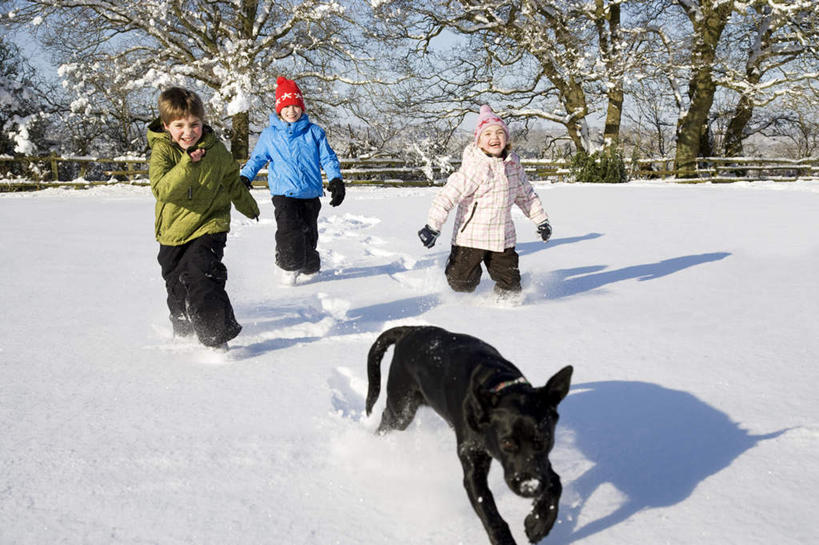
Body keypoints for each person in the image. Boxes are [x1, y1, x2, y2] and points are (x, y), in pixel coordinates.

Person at [148, 86, 260, 348]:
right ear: (166, 126)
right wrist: (187, 164)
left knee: (202, 274)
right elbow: (162, 190)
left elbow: (232, 181)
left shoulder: (216, 151)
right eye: (179, 126)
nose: (188, 132)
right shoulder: (163, 152)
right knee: (177, 286)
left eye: (194, 124)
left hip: (210, 224)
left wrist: (249, 206)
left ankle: (215, 336)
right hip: (173, 231)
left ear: (202, 123)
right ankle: (183, 328)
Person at [418, 104, 552, 299]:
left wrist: (541, 221)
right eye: (487, 133)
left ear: (506, 138)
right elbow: (447, 196)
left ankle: (505, 306)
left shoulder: (513, 166)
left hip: (502, 237)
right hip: (471, 237)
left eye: (499, 133)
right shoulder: (474, 168)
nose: (494, 137)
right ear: (479, 141)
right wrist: (433, 226)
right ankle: (457, 268)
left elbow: (527, 196)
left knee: (511, 286)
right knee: (461, 284)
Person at [240, 76, 345, 285]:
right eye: (286, 106)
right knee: (289, 231)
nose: (291, 111)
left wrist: (336, 180)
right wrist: (245, 176)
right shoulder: (270, 135)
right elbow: (258, 158)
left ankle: (310, 267)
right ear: (279, 109)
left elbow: (328, 158)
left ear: (302, 107)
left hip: (310, 194)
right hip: (284, 193)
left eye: (295, 106)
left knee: (308, 236)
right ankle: (286, 268)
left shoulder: (314, 132)